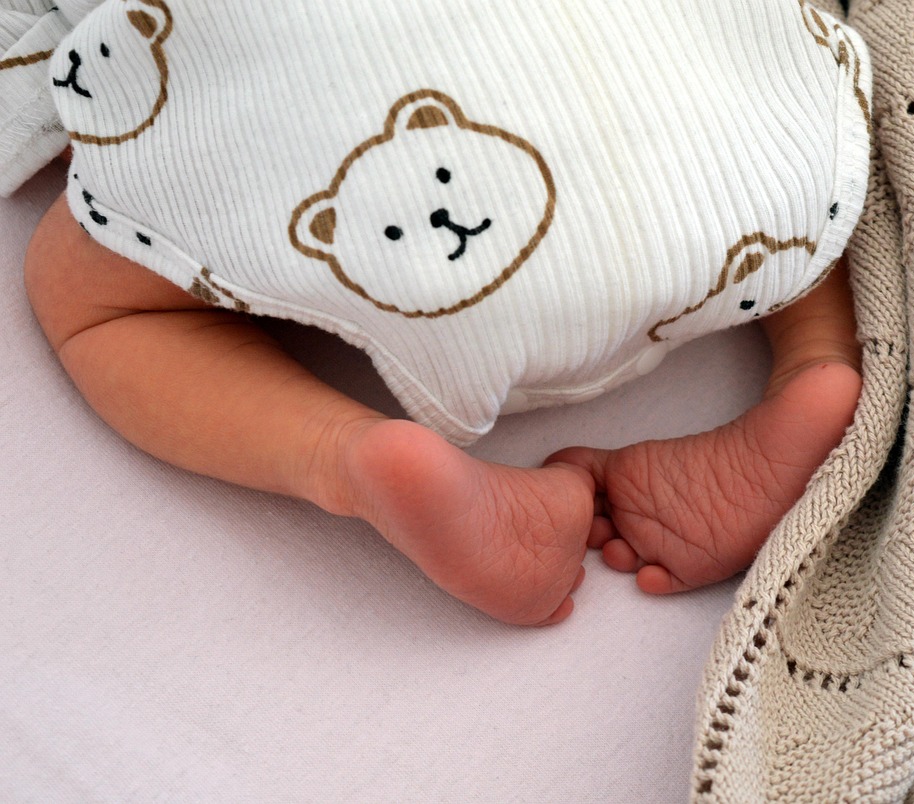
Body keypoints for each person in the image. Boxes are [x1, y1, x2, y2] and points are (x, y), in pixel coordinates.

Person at [10, 0, 870, 625]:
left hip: (363, 197)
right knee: (781, 121)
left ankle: (344, 455)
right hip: (677, 144)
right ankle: (817, 359)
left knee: (85, 290)